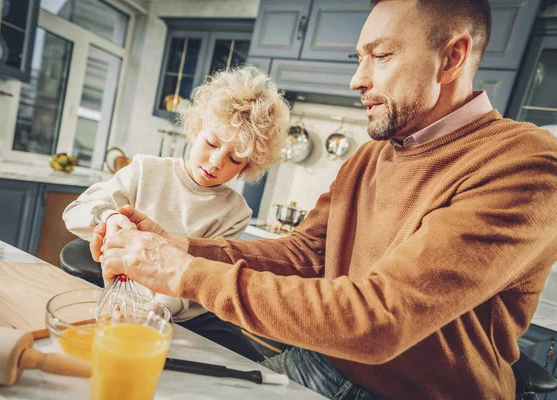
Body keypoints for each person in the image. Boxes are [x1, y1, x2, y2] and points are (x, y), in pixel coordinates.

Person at [95, 0, 557, 399]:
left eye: (381, 55)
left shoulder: (525, 164)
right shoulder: (371, 156)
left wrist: (181, 272)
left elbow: (380, 318)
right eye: (360, 57)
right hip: (317, 365)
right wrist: (178, 246)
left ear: (452, 57)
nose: (358, 79)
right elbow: (303, 253)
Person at [62, 66, 290, 361]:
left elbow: (197, 274)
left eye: (234, 158)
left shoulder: (235, 212)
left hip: (179, 317)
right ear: (196, 129)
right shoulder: (146, 170)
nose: (216, 162)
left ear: (248, 166)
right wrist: (108, 218)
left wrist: (157, 311)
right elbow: (75, 213)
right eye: (211, 143)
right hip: (117, 301)